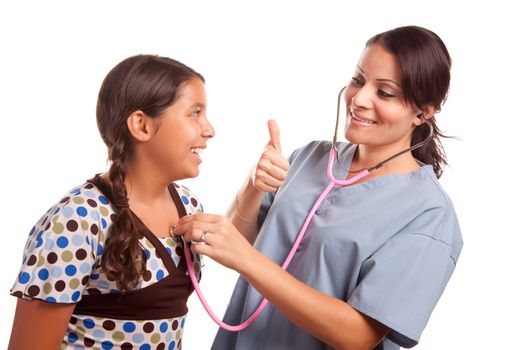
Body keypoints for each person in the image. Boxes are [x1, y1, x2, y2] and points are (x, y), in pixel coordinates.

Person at [173, 26, 463, 350]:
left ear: (424, 112)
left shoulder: (428, 214)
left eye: (385, 93)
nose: (360, 99)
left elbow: (359, 336)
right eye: (358, 80)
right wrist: (253, 186)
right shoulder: (310, 157)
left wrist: (247, 261)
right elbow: (240, 243)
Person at [8, 54, 215, 349]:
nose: (209, 130)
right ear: (141, 125)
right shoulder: (76, 221)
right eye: (195, 113)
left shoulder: (188, 206)